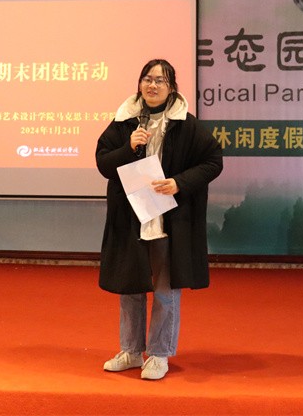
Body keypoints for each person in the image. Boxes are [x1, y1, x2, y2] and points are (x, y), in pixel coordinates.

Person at [95, 58, 223, 381]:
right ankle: (130, 351)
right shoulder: (124, 121)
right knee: (130, 288)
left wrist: (179, 183)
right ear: (139, 83)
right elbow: (103, 163)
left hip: (168, 219)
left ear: (172, 88)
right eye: (147, 79)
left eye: (160, 81)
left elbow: (213, 161)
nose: (152, 85)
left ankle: (159, 353)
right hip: (132, 219)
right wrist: (128, 147)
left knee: (165, 290)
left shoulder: (185, 123)